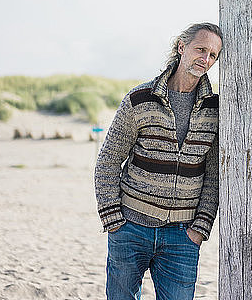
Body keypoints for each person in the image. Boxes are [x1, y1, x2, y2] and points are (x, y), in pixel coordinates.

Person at [94, 23, 222, 300]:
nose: (206, 59)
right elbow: (108, 160)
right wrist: (113, 219)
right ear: (181, 47)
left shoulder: (216, 109)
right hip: (129, 228)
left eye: (213, 55)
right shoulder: (140, 98)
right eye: (201, 49)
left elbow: (213, 175)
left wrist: (200, 229)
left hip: (182, 237)